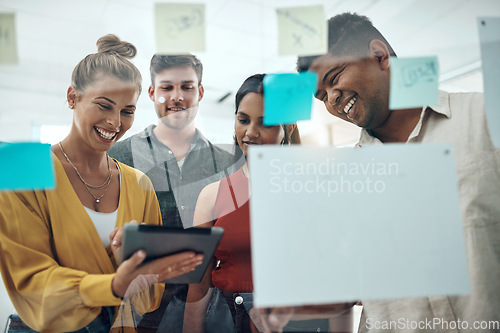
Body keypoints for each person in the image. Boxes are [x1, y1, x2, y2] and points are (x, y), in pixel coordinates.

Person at [298, 12, 500, 333]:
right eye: (321, 96)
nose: (332, 99)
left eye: (335, 77)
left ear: (379, 56)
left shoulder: (485, 118)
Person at [0, 34, 203, 333]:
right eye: (104, 105)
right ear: (72, 96)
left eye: (127, 111)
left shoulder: (139, 183)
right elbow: (29, 281)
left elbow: (150, 296)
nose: (115, 122)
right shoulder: (23, 169)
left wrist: (133, 269)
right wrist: (114, 282)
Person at [184, 74, 355, 333]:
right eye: (243, 120)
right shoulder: (212, 195)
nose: (250, 132)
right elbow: (198, 286)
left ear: (288, 128)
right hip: (229, 321)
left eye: (266, 123)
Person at [108, 53, 243, 331]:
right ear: (152, 93)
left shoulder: (227, 162)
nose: (177, 97)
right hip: (139, 311)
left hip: (208, 310)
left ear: (200, 92)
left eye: (187, 87)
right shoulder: (119, 155)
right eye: (167, 88)